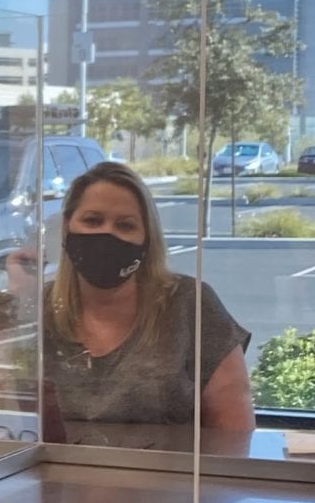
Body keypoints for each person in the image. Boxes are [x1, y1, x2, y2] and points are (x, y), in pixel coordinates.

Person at [35, 160, 254, 440]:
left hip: (172, 481)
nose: (107, 234)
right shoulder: (40, 313)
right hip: (57, 480)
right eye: (92, 221)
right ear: (67, 228)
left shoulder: (190, 304)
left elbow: (235, 434)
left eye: (125, 225)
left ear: (147, 240)